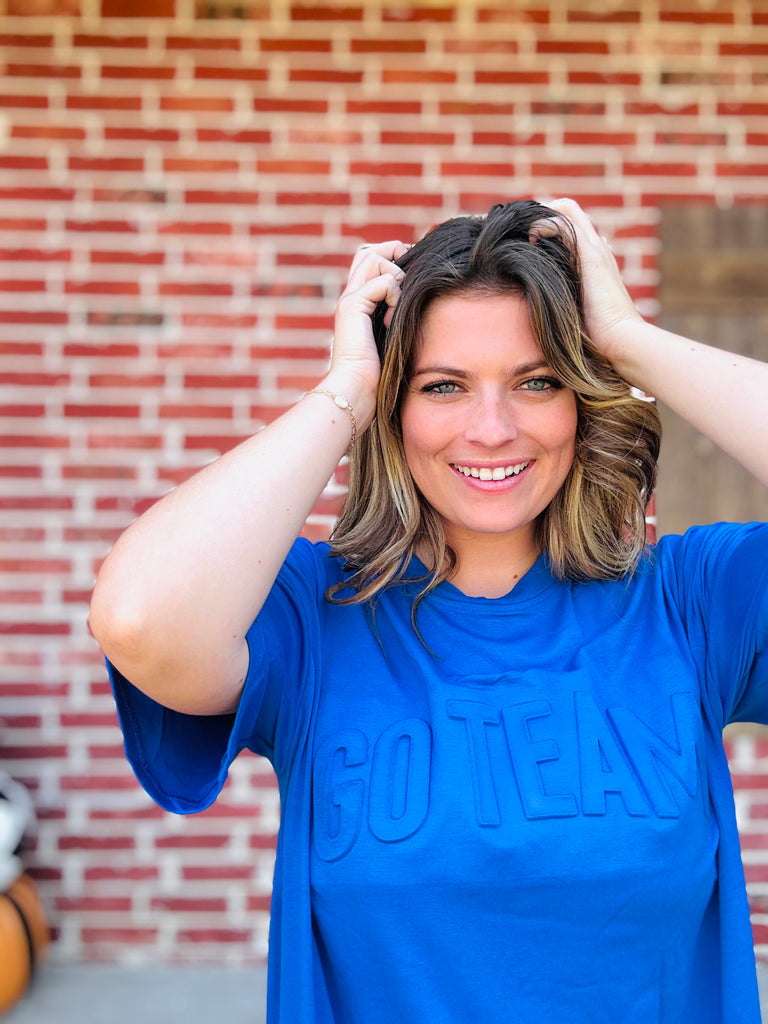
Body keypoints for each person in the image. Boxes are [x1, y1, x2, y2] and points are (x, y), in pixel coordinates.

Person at [89, 198, 768, 1024]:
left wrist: (626, 338)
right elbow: (135, 616)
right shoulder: (314, 617)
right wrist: (344, 391)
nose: (492, 429)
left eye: (538, 381)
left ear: (579, 401)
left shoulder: (689, 605)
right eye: (443, 386)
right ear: (395, 411)